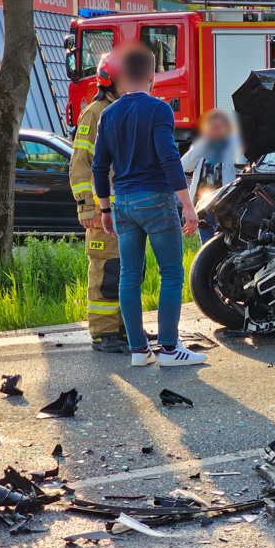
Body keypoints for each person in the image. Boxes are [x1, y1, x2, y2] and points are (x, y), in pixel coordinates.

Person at [92, 42, 206, 367]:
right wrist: (187, 204)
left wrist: (104, 209)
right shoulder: (159, 109)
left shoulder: (108, 114)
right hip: (155, 200)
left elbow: (99, 166)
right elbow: (169, 158)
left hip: (122, 203)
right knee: (170, 273)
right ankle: (169, 349)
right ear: (152, 76)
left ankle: (139, 351)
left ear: (123, 75)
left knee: (130, 276)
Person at [68, 53, 127, 353]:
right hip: (103, 211)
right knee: (106, 271)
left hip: (124, 210)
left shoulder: (122, 110)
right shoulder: (96, 113)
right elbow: (80, 164)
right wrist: (87, 206)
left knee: (126, 269)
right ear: (109, 81)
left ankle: (123, 327)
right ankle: (104, 333)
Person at [181, 108, 242, 244]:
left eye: (219, 126)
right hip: (204, 203)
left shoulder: (233, 145)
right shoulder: (201, 145)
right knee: (206, 243)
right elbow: (184, 166)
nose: (215, 130)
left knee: (223, 241)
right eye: (212, 126)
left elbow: (240, 164)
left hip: (224, 203)